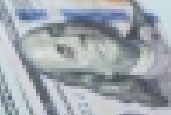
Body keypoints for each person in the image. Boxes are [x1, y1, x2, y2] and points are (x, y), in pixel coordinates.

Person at [20, 21, 171, 107]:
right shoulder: (165, 88)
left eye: (58, 31)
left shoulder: (146, 11)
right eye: (66, 51)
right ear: (89, 74)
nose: (77, 38)